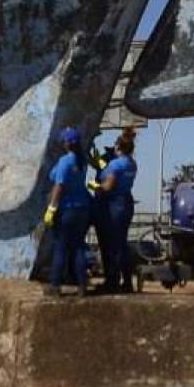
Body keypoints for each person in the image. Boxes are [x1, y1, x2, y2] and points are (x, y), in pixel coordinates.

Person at [42, 126, 92, 296]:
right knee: (78, 247)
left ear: (67, 143)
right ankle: (82, 285)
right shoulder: (81, 160)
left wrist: (51, 208)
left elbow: (59, 186)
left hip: (67, 210)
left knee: (61, 247)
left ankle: (55, 285)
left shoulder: (66, 161)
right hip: (82, 209)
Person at [96, 134, 138, 294]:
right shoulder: (132, 164)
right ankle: (127, 281)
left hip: (113, 204)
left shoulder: (115, 164)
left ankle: (112, 281)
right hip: (126, 201)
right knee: (121, 243)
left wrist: (96, 187)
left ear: (118, 147)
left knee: (112, 244)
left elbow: (108, 185)